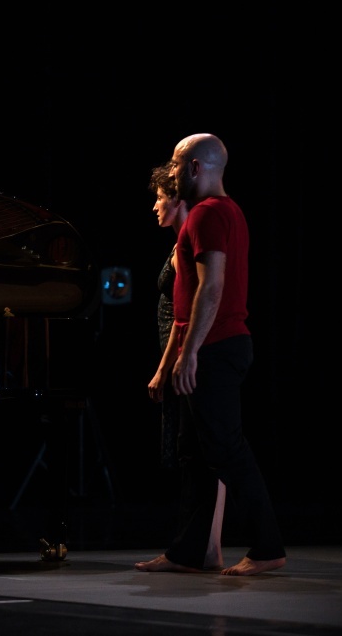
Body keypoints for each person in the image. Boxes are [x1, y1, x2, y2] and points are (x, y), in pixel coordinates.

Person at [135, 134, 285, 576]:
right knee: (195, 454)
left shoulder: (208, 214)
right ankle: (188, 552)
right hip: (210, 346)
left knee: (226, 449)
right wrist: (169, 364)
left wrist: (191, 354)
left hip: (217, 348)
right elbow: (184, 304)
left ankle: (266, 548)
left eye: (178, 164)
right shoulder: (223, 212)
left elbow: (211, 288)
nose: (173, 171)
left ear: (197, 168)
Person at [146, 162, 226, 570]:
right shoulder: (181, 243)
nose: (155, 207)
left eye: (160, 199)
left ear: (176, 200)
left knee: (200, 452)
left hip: (186, 357)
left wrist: (167, 365)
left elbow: (183, 317)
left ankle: (199, 548)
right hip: (181, 355)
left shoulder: (185, 248)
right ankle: (205, 548)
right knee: (198, 452)